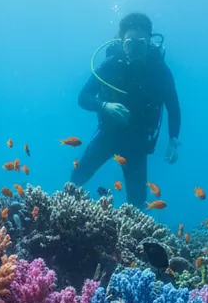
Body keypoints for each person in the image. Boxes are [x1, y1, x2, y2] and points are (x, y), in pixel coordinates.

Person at [72, 12, 181, 204]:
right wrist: (105, 106)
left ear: (149, 42)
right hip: (107, 134)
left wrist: (173, 140)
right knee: (74, 182)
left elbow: (173, 107)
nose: (136, 49)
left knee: (138, 204)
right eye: (130, 43)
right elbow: (83, 98)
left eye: (141, 43)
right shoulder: (111, 64)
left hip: (138, 143)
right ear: (122, 42)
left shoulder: (159, 70)